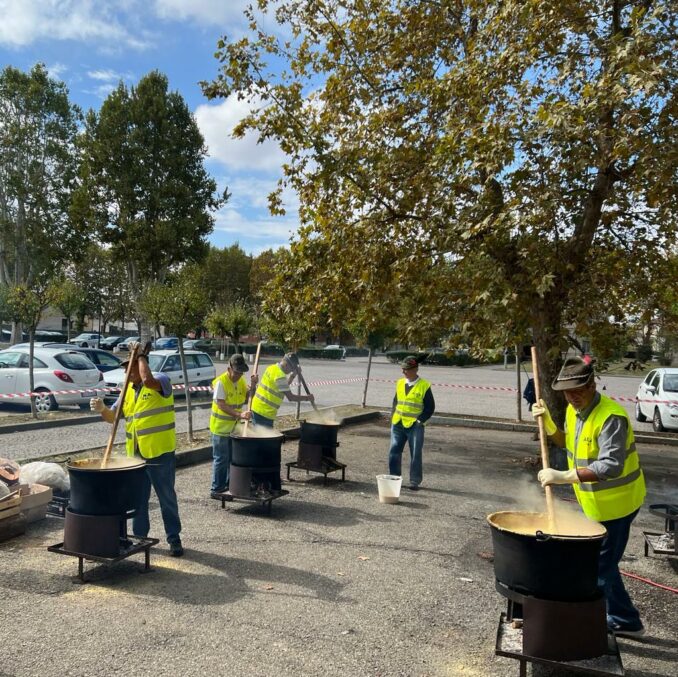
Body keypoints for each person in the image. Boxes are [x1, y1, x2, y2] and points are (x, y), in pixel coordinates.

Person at [533, 355, 646, 638]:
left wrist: (563, 476)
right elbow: (566, 441)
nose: (572, 397)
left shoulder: (611, 418)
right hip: (594, 504)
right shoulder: (574, 411)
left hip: (619, 506)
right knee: (604, 565)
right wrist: (548, 423)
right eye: (567, 392)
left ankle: (590, 625)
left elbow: (610, 466)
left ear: (592, 385)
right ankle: (626, 618)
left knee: (597, 570)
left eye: (578, 390)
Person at [90, 341, 184, 557]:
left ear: (140, 365)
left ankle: (174, 539)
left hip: (160, 452)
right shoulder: (127, 392)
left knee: (166, 498)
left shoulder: (160, 381)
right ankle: (140, 537)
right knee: (138, 499)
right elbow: (112, 418)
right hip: (137, 456)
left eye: (130, 368)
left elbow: (148, 380)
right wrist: (102, 408)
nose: (126, 373)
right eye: (125, 369)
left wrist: (140, 356)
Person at [209, 353, 258, 500]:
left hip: (233, 429)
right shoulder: (221, 382)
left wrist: (254, 386)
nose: (238, 375)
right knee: (221, 459)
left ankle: (230, 486)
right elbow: (221, 404)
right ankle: (216, 489)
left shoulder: (241, 381)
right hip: (220, 429)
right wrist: (240, 415)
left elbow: (249, 395)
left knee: (232, 459)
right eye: (236, 372)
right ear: (229, 369)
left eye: (241, 372)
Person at [388, 356, 435, 490]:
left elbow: (430, 407)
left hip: (415, 425)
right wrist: (392, 417)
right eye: (402, 369)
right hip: (398, 423)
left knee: (415, 453)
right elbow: (396, 401)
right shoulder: (400, 383)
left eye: (406, 369)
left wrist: (420, 421)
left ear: (415, 369)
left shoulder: (424, 385)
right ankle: (394, 478)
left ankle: (414, 481)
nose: (403, 372)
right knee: (394, 451)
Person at [251, 352, 314, 427]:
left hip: (258, 408)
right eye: (292, 369)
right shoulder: (280, 376)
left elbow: (283, 388)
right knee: (264, 437)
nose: (291, 371)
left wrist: (292, 376)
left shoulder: (272, 368)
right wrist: (307, 398)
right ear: (287, 365)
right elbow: (291, 397)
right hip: (264, 412)